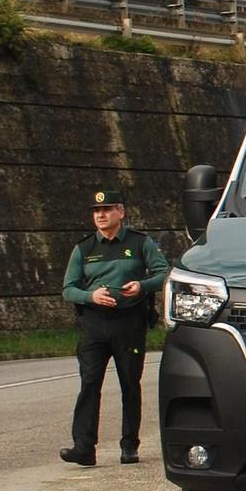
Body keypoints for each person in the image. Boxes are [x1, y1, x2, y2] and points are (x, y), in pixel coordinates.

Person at [61, 189, 170, 466]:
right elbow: (68, 289)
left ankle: (129, 445)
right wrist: (90, 296)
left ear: (120, 212)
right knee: (89, 384)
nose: (101, 215)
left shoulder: (140, 243)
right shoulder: (83, 249)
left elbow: (163, 273)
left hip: (129, 322)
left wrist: (141, 286)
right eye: (96, 211)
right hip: (94, 325)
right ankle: (84, 447)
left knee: (129, 384)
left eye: (107, 210)